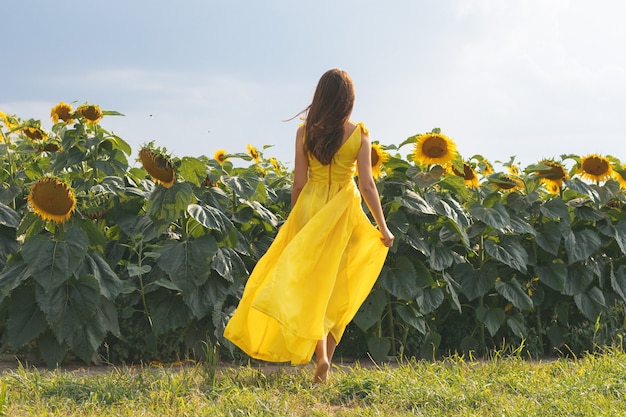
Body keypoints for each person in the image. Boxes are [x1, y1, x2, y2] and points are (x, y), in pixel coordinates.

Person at [223, 68, 394, 383]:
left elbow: (299, 183)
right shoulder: (360, 134)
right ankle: (325, 356)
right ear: (349, 101)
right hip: (345, 211)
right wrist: (383, 227)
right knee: (339, 284)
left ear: (320, 97)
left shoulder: (305, 133)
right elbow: (368, 185)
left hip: (312, 209)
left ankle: (322, 358)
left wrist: (294, 218)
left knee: (310, 283)